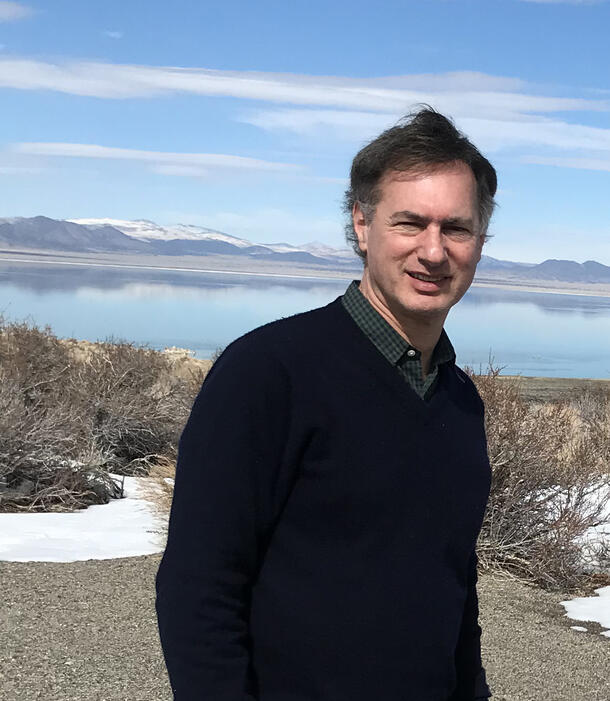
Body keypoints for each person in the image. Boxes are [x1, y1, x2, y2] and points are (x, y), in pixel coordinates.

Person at [156, 107, 496, 701]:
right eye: (410, 223)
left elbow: (452, 587)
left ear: (480, 240)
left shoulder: (460, 400)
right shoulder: (267, 373)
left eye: (457, 228)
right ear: (362, 225)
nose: (434, 251)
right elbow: (198, 587)